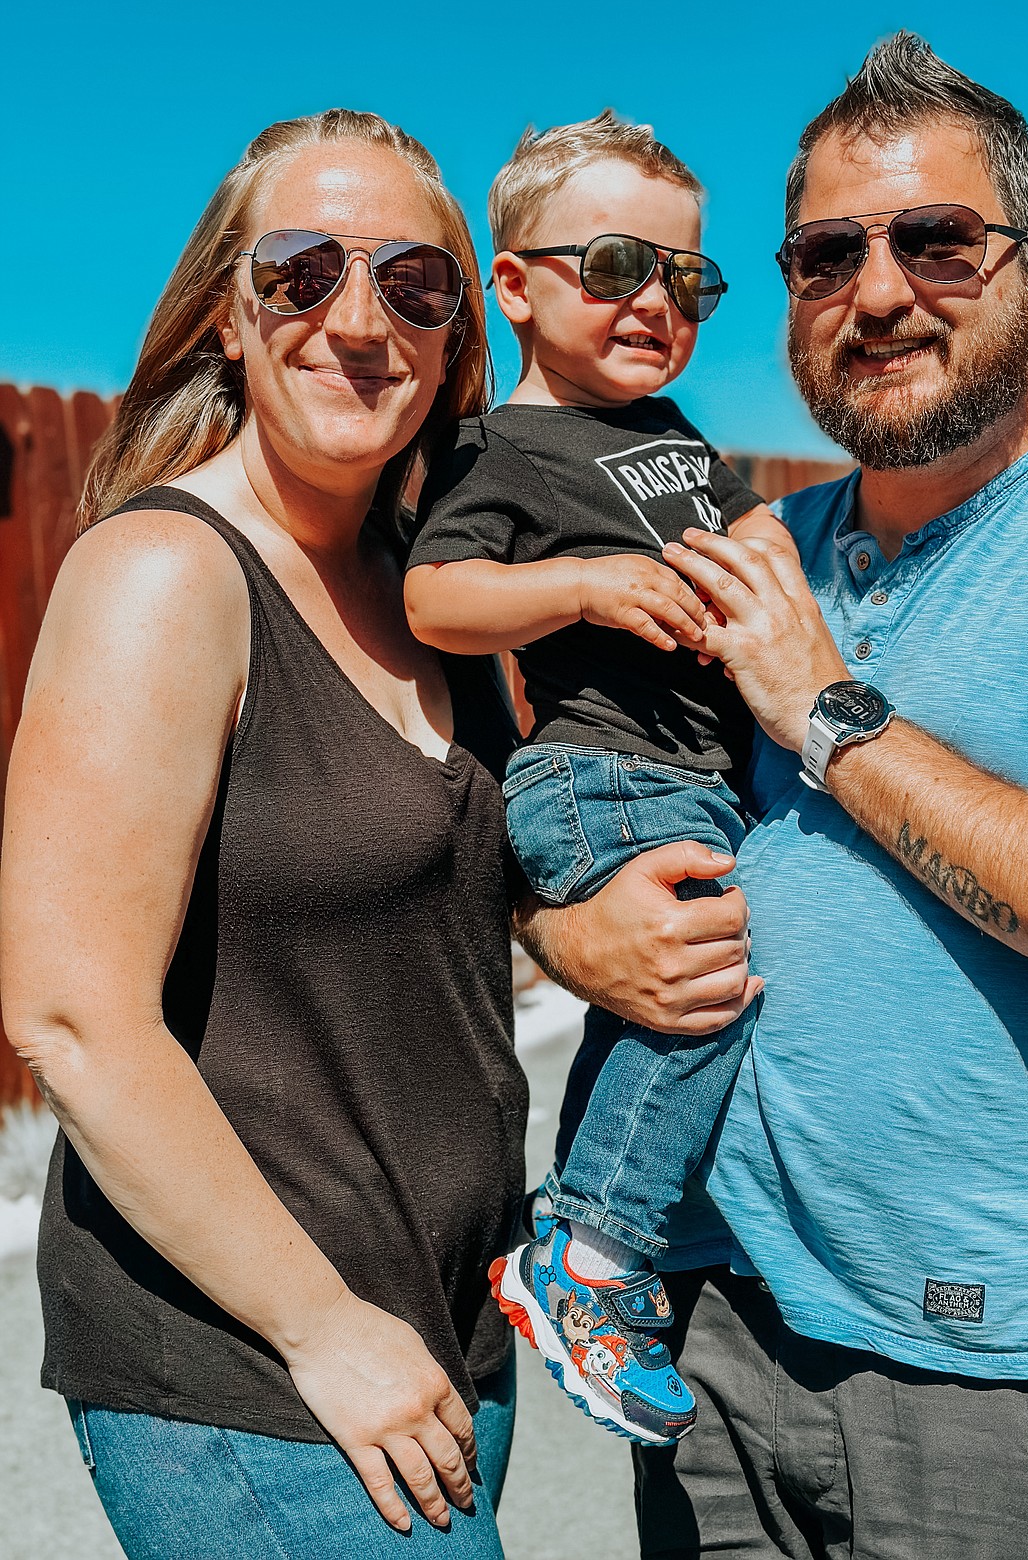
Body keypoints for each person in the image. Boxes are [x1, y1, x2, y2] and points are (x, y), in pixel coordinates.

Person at [555, 31, 1028, 1560]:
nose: (877, 292)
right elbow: (577, 789)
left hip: (991, 1372)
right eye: (826, 254)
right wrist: (566, 938)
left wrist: (819, 709)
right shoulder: (746, 540)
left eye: (933, 242)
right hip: (700, 1327)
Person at [2, 109, 532, 1560]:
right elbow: (72, 1017)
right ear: (228, 320)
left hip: (433, 1346)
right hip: (254, 1367)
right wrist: (322, 1328)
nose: (358, 322)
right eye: (301, 273)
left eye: (413, 284)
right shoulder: (166, 573)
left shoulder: (429, 595)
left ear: (454, 333)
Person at [403, 110, 780, 1449]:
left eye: (684, 276)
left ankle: (623, 1234)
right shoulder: (496, 452)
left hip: (691, 770)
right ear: (511, 286)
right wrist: (577, 584)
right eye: (614, 264)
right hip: (602, 773)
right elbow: (436, 597)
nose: (653, 302)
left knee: (662, 1001)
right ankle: (590, 1250)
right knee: (706, 980)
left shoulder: (673, 434)